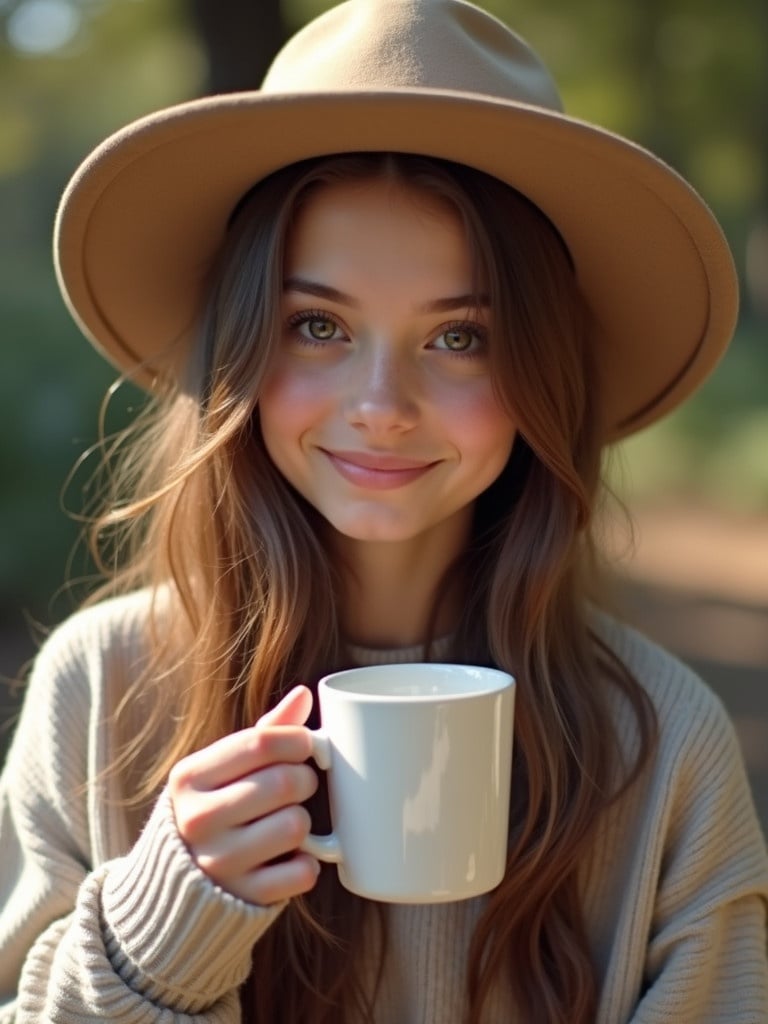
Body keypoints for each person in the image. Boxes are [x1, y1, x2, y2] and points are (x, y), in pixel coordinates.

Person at [1, 1, 766, 1021]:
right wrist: (157, 938)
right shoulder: (102, 694)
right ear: (240, 354)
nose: (380, 408)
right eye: (317, 324)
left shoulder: (663, 742)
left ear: (545, 375)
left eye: (459, 338)